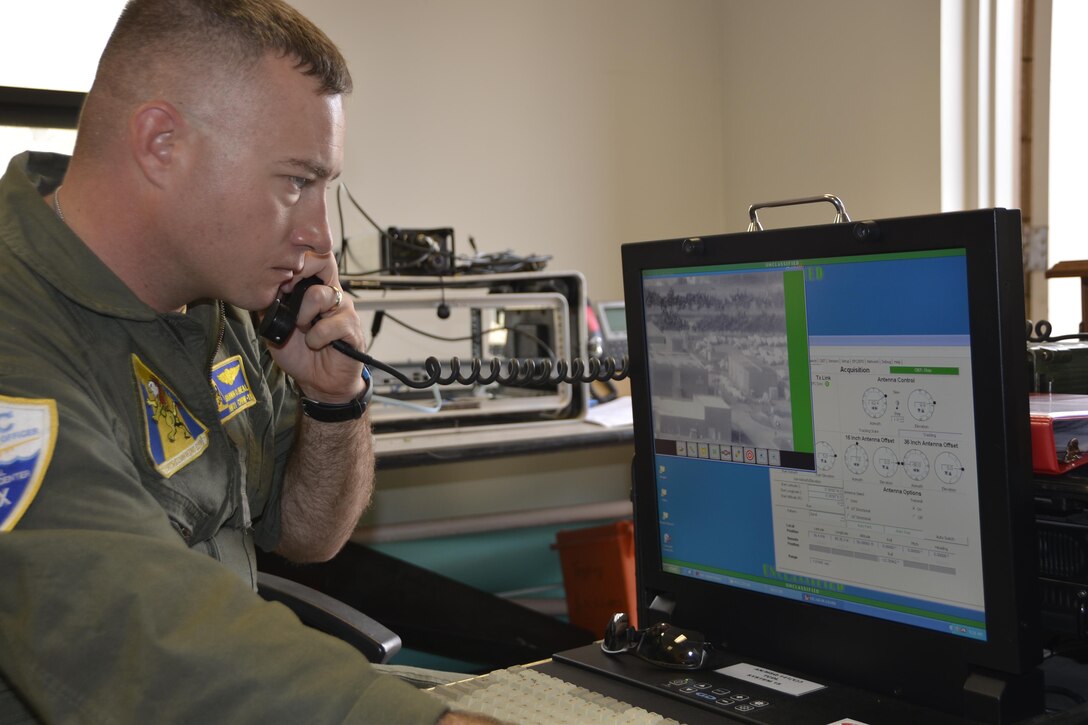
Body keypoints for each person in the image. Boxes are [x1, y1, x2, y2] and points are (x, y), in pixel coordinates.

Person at [0, 1, 498, 722]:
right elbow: (139, 630)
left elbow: (306, 536)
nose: (320, 237)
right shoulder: (19, 330)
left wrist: (334, 401)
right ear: (161, 143)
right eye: (296, 181)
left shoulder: (221, 302)